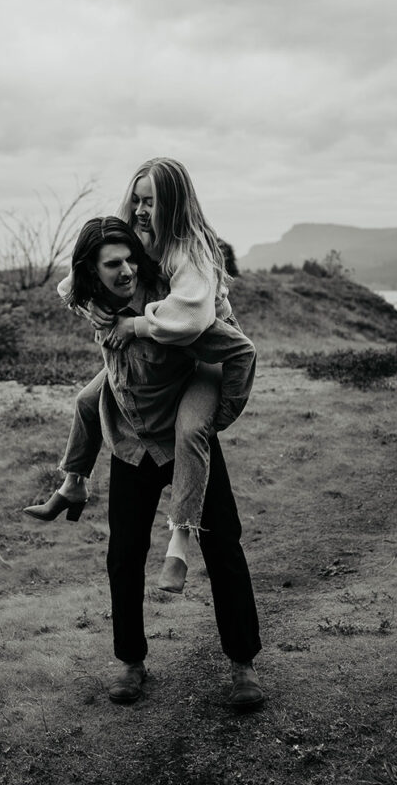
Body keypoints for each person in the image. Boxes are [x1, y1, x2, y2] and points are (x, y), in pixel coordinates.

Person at [33, 216, 263, 708]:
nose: (126, 271)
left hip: (185, 443)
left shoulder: (169, 316)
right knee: (124, 556)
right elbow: (69, 287)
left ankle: (242, 665)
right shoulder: (95, 306)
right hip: (131, 446)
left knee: (224, 549)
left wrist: (216, 419)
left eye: (130, 260)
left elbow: (237, 348)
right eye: (112, 264)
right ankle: (130, 663)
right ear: (93, 273)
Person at [24, 157, 238, 593]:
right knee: (87, 400)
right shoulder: (135, 236)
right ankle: (72, 484)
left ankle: (180, 540)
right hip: (154, 361)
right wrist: (95, 308)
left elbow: (191, 320)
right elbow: (72, 286)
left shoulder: (189, 249)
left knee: (190, 429)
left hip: (203, 355)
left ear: (173, 205)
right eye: (137, 200)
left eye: (151, 202)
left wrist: (132, 324)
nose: (140, 210)